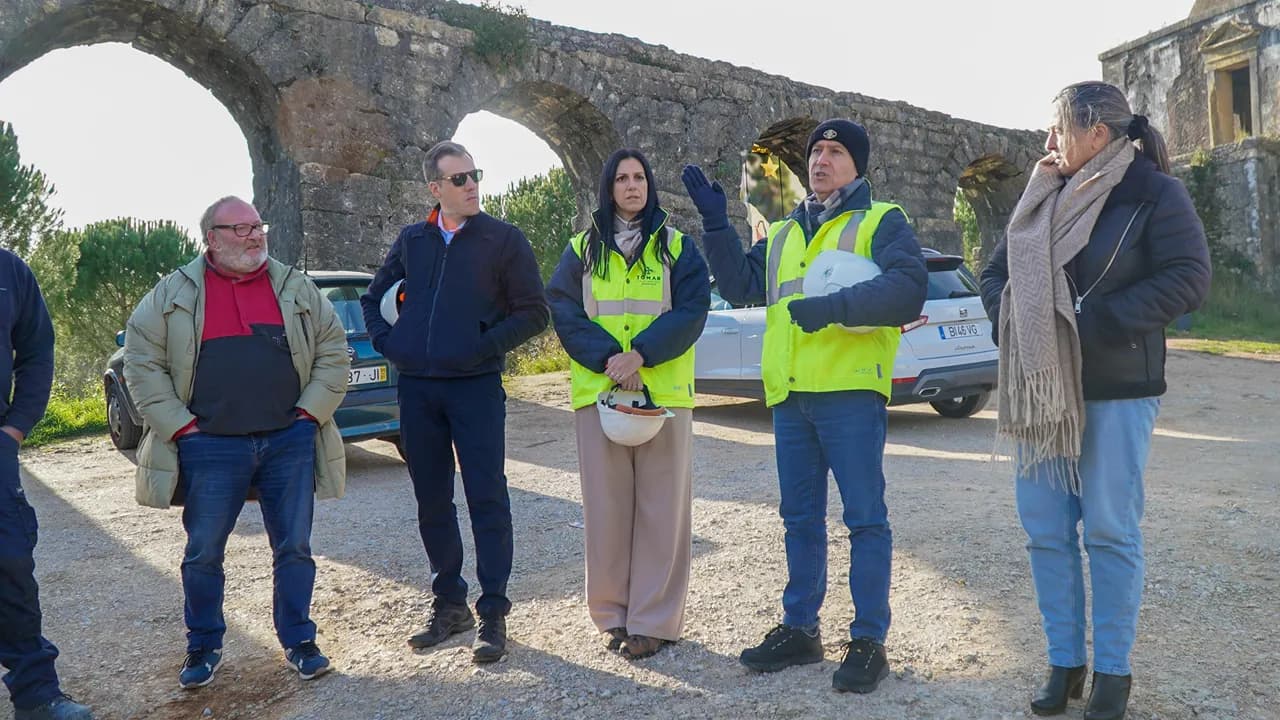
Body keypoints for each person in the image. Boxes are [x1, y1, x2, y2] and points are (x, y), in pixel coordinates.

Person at [979, 81, 1210, 720]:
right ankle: (1065, 664)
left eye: (1057, 129)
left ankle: (1112, 673)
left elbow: (1189, 277)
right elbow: (994, 273)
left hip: (1117, 390)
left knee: (1109, 531)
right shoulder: (1039, 196)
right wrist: (1017, 322)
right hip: (1040, 396)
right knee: (1047, 533)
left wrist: (1093, 322)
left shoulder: (1152, 193)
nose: (1048, 143)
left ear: (1097, 134)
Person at [682, 119, 926, 693]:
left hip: (848, 391)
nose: (821, 159)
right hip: (791, 396)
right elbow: (742, 284)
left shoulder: (881, 220)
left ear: (857, 165)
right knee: (799, 519)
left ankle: (868, 640)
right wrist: (717, 222)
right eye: (816, 150)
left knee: (865, 518)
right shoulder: (788, 231)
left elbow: (908, 288)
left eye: (835, 151)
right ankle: (801, 628)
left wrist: (835, 306)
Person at [124, 196, 350, 689]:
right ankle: (204, 645)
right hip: (209, 445)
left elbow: (334, 348)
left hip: (288, 440)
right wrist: (180, 426)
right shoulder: (173, 293)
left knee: (295, 547)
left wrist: (310, 413)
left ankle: (299, 640)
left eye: (258, 226)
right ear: (211, 238)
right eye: (241, 229)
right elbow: (141, 360)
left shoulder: (293, 285)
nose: (255, 236)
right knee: (203, 552)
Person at [360, 141, 549, 664]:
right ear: (435, 188)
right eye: (459, 179)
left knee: (487, 495)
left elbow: (534, 313)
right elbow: (370, 300)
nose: (471, 186)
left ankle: (492, 612)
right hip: (417, 389)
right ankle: (450, 605)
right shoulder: (413, 240)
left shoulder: (504, 240)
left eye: (475, 176)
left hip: (475, 388)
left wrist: (481, 346)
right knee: (431, 498)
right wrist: (390, 345)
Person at [546, 149, 709, 660]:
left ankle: (653, 621)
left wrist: (643, 355)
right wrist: (609, 359)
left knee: (662, 509)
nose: (632, 185)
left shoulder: (678, 247)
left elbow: (692, 310)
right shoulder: (581, 248)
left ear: (650, 186)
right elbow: (563, 310)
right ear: (608, 187)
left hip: (663, 393)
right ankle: (613, 615)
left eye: (640, 177)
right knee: (607, 509)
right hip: (600, 393)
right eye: (622, 178)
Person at [0, 251, 93, 720]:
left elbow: (37, 349)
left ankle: (37, 695)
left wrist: (15, 427)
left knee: (10, 563)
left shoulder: (8, 270)